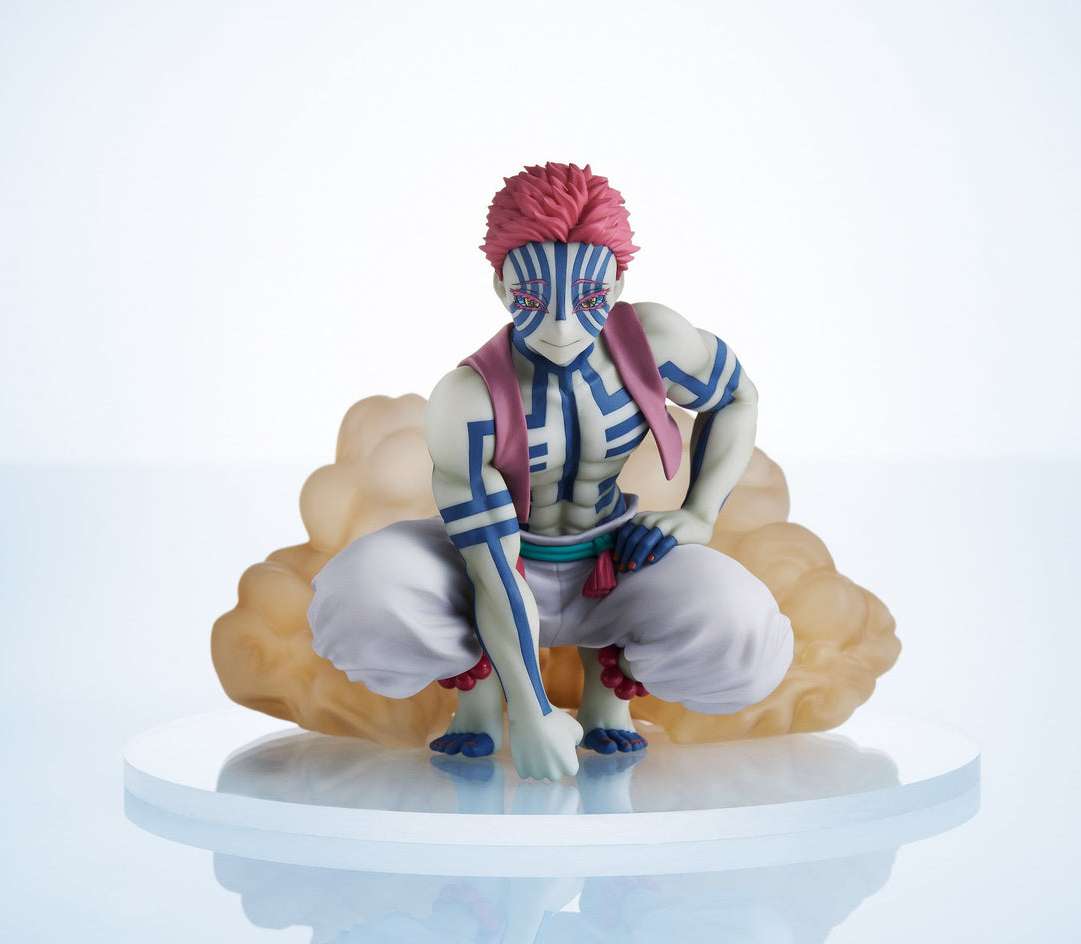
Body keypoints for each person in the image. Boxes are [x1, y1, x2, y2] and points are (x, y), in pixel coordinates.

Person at [310, 163, 792, 780]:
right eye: (534, 300)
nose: (562, 328)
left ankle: (611, 687)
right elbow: (491, 565)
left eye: (588, 300)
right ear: (501, 287)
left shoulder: (655, 342)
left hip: (616, 558)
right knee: (360, 594)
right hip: (491, 561)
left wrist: (699, 514)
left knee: (747, 636)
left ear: (617, 284)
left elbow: (736, 398)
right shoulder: (469, 399)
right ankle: (478, 692)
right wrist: (531, 712)